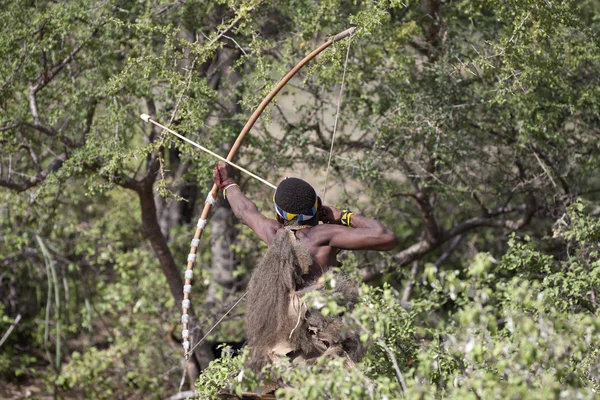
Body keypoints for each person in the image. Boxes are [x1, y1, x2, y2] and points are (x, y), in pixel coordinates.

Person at [212, 161, 397, 281]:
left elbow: (244, 211)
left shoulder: (275, 234)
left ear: (279, 217)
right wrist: (344, 216)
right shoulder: (325, 234)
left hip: (284, 325)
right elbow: (385, 237)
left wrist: (227, 183)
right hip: (324, 324)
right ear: (319, 206)